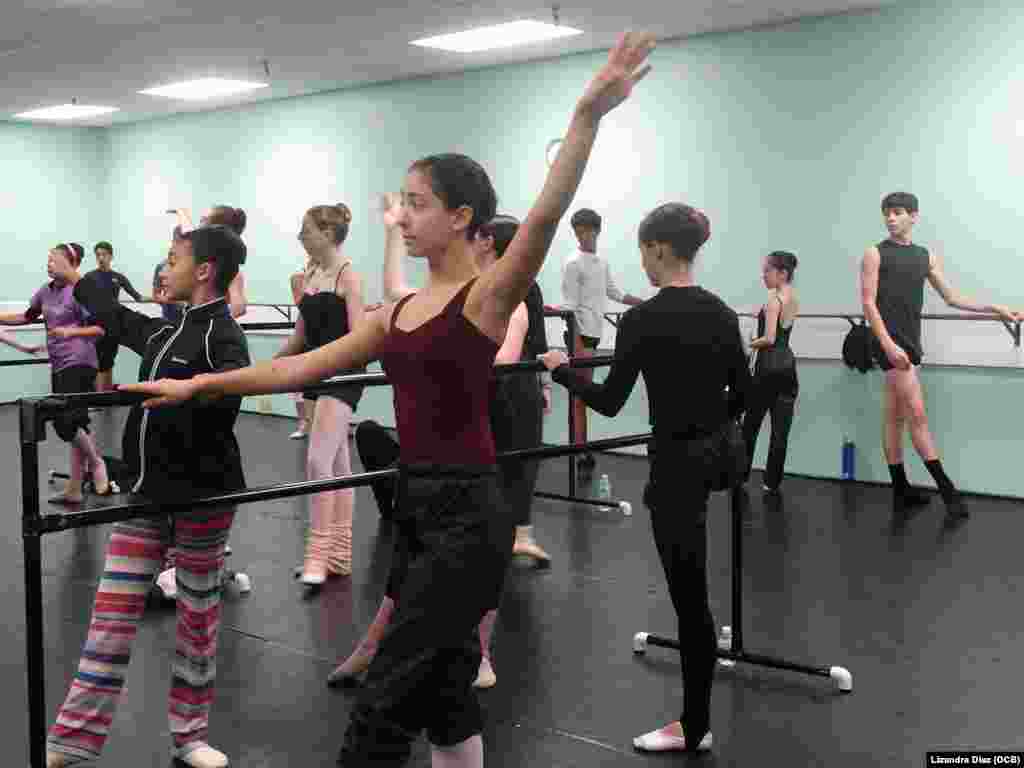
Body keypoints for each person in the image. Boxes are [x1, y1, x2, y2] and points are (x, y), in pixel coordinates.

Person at [122, 31, 656, 768]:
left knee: (381, 708)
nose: (401, 215)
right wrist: (201, 382)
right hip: (415, 507)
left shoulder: (484, 300)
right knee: (443, 689)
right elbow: (300, 368)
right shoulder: (397, 312)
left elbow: (542, 218)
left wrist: (588, 117)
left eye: (416, 203)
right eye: (402, 203)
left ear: (463, 216)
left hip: (469, 516)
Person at [541, 202, 748, 754]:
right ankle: (697, 709)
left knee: (690, 601)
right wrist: (711, 423)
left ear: (657, 248)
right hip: (716, 461)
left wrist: (560, 370)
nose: (643, 263)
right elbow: (744, 395)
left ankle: (695, 727)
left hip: (677, 469)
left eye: (643, 253)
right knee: (694, 594)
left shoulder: (642, 320)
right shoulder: (724, 314)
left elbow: (608, 403)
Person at [42, 224, 250, 768]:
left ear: (204, 271)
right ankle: (72, 739)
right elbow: (116, 317)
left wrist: (187, 394)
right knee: (110, 613)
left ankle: (191, 736)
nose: (165, 266)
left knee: (198, 621)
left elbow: (227, 400)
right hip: (145, 495)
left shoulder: (220, 336)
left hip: (203, 495)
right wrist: (82, 280)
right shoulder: (166, 331)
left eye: (174, 257)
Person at [325, 208, 550, 694]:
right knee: (410, 550)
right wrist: (388, 231)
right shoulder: (460, 292)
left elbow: (501, 357)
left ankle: (480, 654)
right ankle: (371, 647)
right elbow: (396, 295)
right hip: (468, 418)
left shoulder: (505, 297)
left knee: (487, 545)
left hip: (506, 415)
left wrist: (442, 354)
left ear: (485, 243)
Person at [860, 192, 1018, 523]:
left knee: (894, 417)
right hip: (890, 344)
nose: (890, 218)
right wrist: (887, 344)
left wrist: (995, 308)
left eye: (898, 213)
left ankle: (900, 490)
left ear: (913, 216)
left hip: (908, 342)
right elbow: (869, 303)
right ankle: (948, 492)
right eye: (886, 213)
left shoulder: (925, 256)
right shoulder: (874, 254)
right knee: (917, 416)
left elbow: (952, 297)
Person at [275, 203, 365, 586]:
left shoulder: (349, 276)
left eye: (306, 230)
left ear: (327, 234)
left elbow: (359, 338)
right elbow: (301, 335)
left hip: (343, 373)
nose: (300, 236)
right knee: (338, 465)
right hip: (318, 370)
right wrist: (271, 364)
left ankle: (316, 556)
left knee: (317, 461)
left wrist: (325, 364)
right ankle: (340, 555)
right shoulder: (310, 272)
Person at [0, 242, 110, 504]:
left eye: (53, 260)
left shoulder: (80, 291)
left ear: (70, 264)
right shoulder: (45, 291)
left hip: (81, 360)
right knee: (77, 424)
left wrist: (70, 332)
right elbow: (26, 316)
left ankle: (96, 463)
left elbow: (100, 329)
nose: (48, 264)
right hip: (59, 362)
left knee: (65, 422)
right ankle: (74, 488)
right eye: (47, 259)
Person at [560, 207, 645, 470]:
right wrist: (576, 345)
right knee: (580, 396)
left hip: (594, 335)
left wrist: (645, 303)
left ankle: (582, 450)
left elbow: (614, 292)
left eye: (586, 230)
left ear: (597, 230)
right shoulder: (572, 263)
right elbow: (570, 308)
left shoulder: (601, 263)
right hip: (579, 336)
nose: (581, 235)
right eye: (577, 231)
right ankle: (580, 453)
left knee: (584, 395)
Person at [742, 250, 800, 494]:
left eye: (767, 270)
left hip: (768, 366)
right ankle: (771, 482)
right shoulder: (793, 297)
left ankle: (739, 475)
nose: (763, 275)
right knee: (780, 430)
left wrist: (748, 343)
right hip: (788, 365)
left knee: (750, 425)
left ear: (782, 273)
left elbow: (769, 338)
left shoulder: (773, 300)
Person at [84, 240, 145, 392]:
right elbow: (81, 300)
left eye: (104, 254)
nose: (100, 258)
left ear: (110, 256)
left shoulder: (118, 277)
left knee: (109, 361)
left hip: (113, 324)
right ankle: (98, 397)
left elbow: (138, 297)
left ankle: (107, 395)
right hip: (95, 325)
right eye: (98, 255)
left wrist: (162, 298)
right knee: (97, 361)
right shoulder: (89, 276)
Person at [172, 206, 248, 317]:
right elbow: (189, 233)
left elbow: (239, 307)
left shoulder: (228, 268)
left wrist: (217, 326)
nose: (201, 219)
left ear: (214, 228)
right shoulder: (199, 258)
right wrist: (181, 213)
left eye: (204, 219)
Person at [288, 258, 314, 439]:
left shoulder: (336, 277)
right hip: (305, 335)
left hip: (324, 337)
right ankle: (303, 424)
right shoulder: (299, 278)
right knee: (298, 385)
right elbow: (300, 302)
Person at [153, 249, 185, 325]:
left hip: (188, 313)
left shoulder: (190, 266)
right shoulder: (161, 266)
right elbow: (156, 295)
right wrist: (169, 301)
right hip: (169, 314)